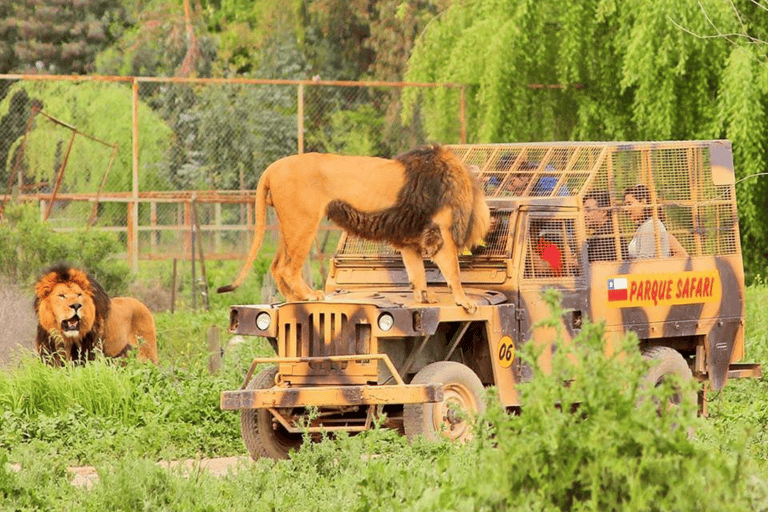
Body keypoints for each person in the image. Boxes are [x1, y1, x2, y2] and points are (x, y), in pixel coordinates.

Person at [623, 184, 688, 259]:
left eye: (629, 203)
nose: (625, 209)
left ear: (643, 202)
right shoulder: (643, 226)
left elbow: (644, 259)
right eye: (625, 204)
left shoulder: (651, 225)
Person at [583, 190, 617, 262]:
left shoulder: (609, 236)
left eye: (588, 210)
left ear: (604, 211)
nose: (584, 215)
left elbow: (595, 266)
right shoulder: (599, 234)